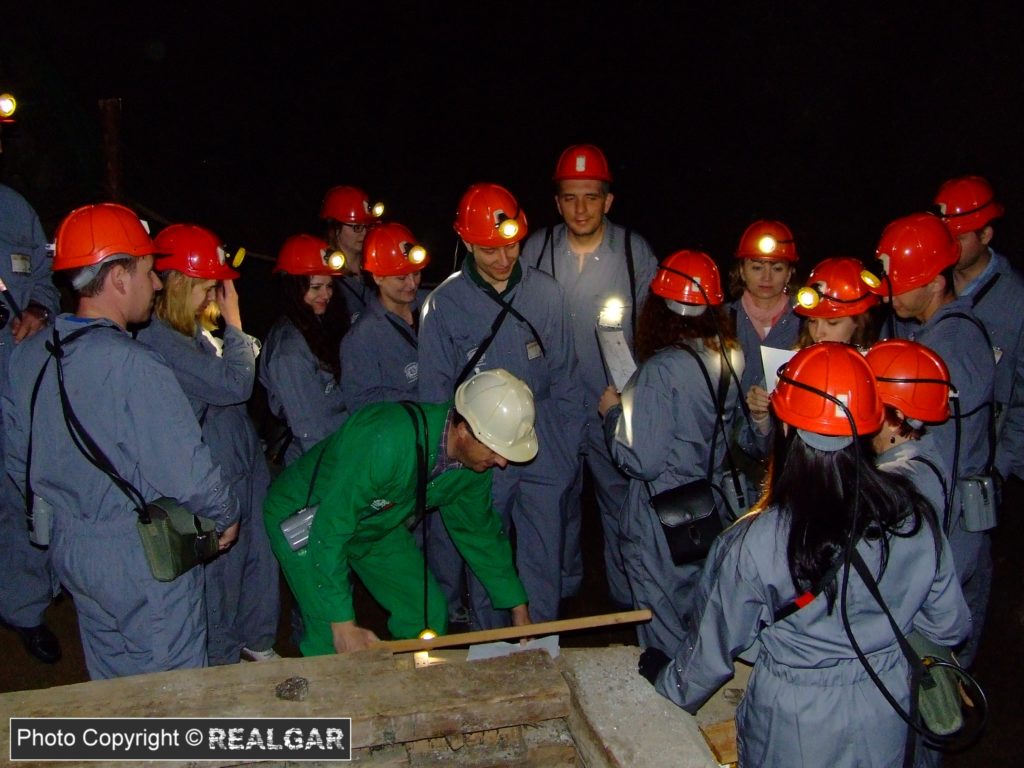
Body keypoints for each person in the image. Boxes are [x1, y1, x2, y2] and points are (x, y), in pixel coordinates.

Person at [640, 342, 970, 767]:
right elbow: (949, 624)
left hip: (796, 721)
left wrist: (665, 688)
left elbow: (711, 653)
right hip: (885, 708)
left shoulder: (756, 540)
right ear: (871, 424)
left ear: (789, 429)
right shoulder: (912, 516)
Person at [2, 203, 239, 679]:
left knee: (114, 690)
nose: (156, 284)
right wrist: (225, 516)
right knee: (172, 696)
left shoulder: (26, 357)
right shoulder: (136, 367)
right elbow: (187, 472)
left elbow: (17, 462)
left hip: (73, 550)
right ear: (118, 278)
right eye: (149, 271)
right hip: (140, 558)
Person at [264, 368, 534, 655]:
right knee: (329, 637)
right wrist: (342, 623)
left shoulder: (472, 469)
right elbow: (330, 528)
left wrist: (518, 608)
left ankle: (409, 690)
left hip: (374, 522)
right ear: (464, 430)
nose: (502, 462)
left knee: (425, 614)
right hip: (306, 517)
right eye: (494, 450)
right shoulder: (386, 439)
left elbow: (480, 533)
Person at [419, 182, 584, 629]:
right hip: (483, 452)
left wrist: (567, 453)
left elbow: (568, 376)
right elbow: (435, 398)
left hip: (545, 440)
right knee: (487, 559)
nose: (504, 258)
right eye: (490, 249)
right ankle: (490, 651)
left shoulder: (547, 295)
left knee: (543, 558)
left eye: (511, 245)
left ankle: (543, 648)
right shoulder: (443, 306)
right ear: (467, 242)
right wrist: (455, 462)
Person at [135, 224, 280, 664]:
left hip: (242, 458)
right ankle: (220, 668)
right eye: (207, 287)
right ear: (178, 285)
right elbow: (235, 384)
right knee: (221, 579)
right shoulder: (159, 342)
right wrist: (236, 326)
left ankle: (256, 640)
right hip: (213, 473)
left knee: (261, 558)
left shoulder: (191, 333)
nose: (215, 297)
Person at [520, 144, 659, 606]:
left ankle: (630, 606)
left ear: (608, 201)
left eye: (591, 197)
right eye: (571, 197)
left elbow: (653, 332)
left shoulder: (634, 252)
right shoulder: (536, 250)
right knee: (552, 505)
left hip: (612, 404)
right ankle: (559, 601)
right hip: (554, 404)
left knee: (623, 507)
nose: (581, 208)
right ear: (558, 202)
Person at [598, 250, 744, 654]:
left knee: (661, 631)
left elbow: (640, 459)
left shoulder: (662, 369)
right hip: (706, 504)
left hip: (660, 516)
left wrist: (613, 415)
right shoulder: (731, 355)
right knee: (697, 612)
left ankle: (669, 701)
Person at [866, 212, 995, 667]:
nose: (889, 293)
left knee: (932, 672)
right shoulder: (926, 331)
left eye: (899, 283)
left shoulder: (952, 344)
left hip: (952, 526)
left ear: (936, 281)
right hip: (940, 516)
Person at [0, 183, 62, 663]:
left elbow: (44, 280)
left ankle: (24, 609)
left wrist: (39, 309)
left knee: (21, 488)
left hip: (14, 375)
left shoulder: (15, 208)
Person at [933, 175, 1024, 485]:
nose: (948, 246)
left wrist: (1000, 465)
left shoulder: (1015, 301)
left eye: (958, 238)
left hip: (983, 468)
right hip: (929, 456)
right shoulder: (926, 287)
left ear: (985, 234)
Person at [746, 256, 879, 437]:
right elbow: (765, 448)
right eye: (812, 321)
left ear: (859, 322)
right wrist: (761, 416)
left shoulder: (878, 371)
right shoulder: (789, 368)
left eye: (832, 323)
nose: (818, 333)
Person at [259, 234, 349, 465]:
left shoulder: (313, 326)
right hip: (311, 460)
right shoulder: (289, 348)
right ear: (293, 287)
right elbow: (308, 428)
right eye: (316, 287)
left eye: (329, 286)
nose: (326, 295)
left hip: (335, 444)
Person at [341, 222, 431, 412]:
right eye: (401, 278)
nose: (412, 283)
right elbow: (360, 402)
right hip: (406, 429)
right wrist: (421, 398)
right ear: (378, 277)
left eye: (416, 273)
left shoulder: (434, 307)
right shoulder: (362, 337)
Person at [728, 219, 801, 396]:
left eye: (777, 269)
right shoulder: (721, 320)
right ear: (742, 271)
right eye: (757, 267)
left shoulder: (807, 321)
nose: (766, 278)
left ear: (789, 274)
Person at [320, 185, 384, 324]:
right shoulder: (323, 278)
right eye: (356, 227)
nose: (364, 233)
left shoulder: (375, 271)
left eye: (367, 226)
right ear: (335, 228)